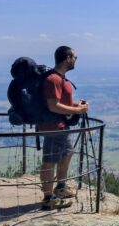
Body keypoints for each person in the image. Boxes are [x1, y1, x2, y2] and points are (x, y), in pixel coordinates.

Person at [38, 46, 89, 210]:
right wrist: (77, 110)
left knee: (67, 153)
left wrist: (76, 106)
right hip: (53, 128)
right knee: (49, 161)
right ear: (67, 58)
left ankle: (60, 187)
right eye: (75, 57)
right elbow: (53, 106)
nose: (76, 60)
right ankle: (48, 199)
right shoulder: (53, 79)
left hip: (61, 127)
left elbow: (60, 103)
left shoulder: (60, 78)